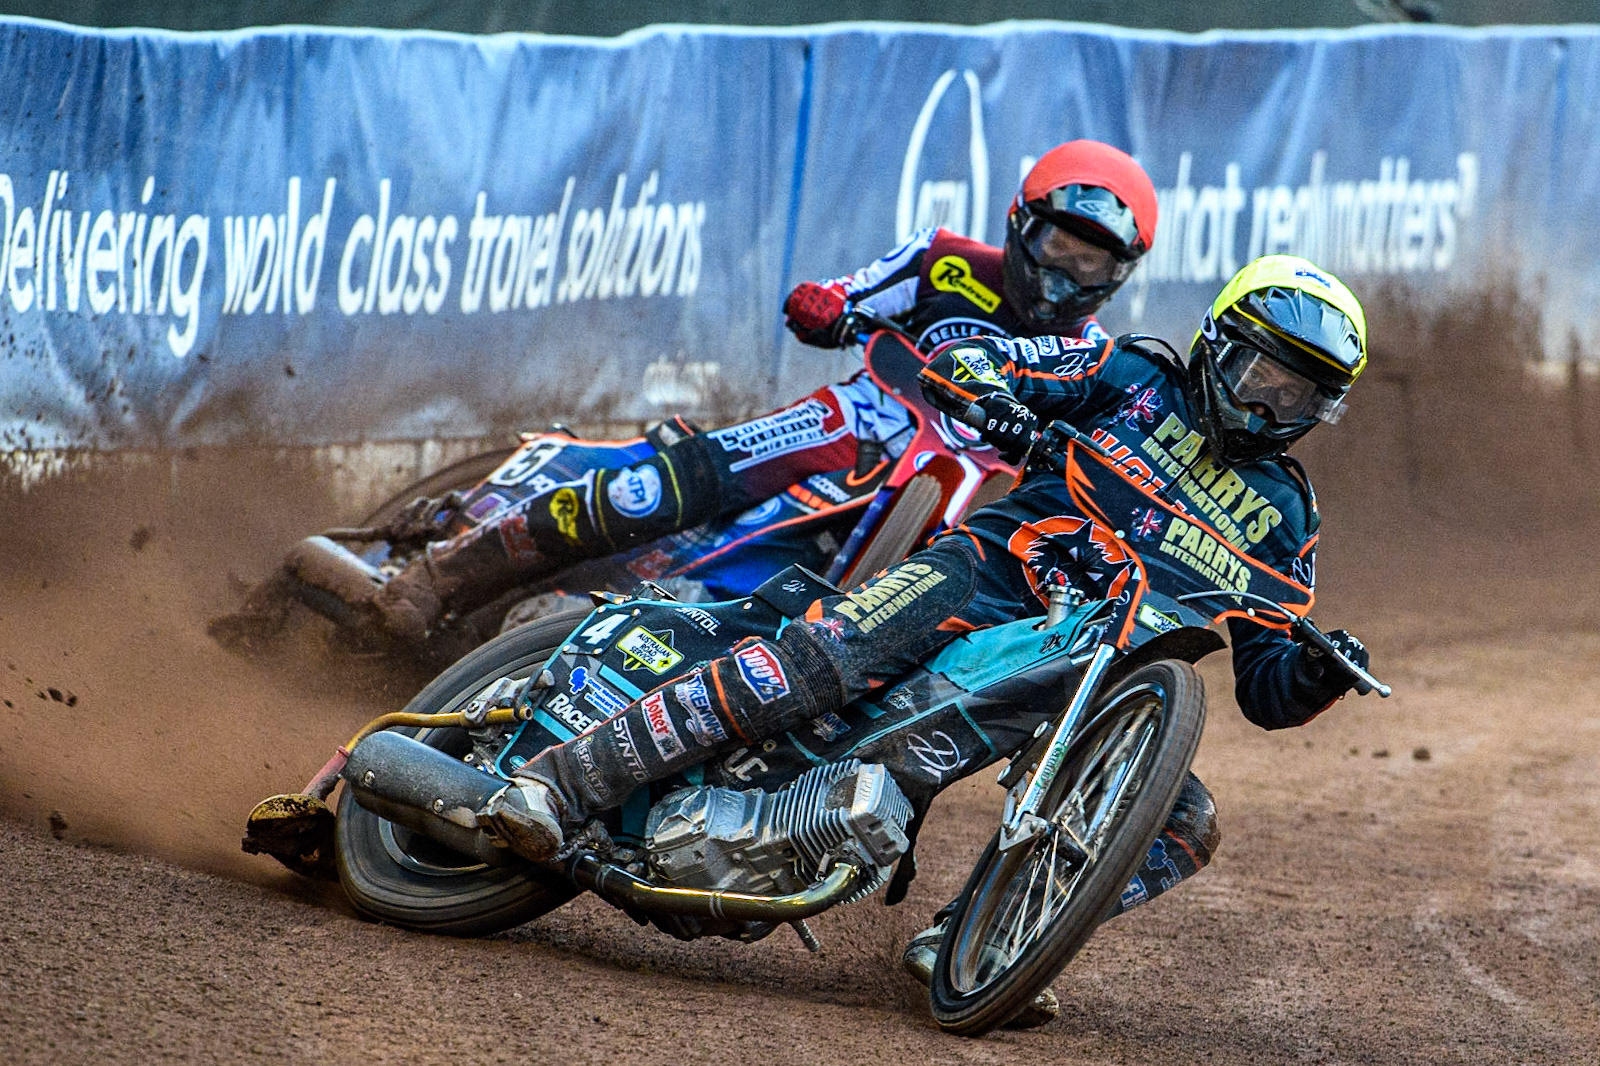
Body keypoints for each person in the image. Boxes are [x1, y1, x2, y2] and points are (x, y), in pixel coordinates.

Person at [478, 254, 1376, 1021]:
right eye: (1262, 375)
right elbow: (965, 359)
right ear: (1220, 342)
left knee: (1187, 821)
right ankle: (562, 782)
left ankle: (992, 934)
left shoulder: (1287, 513)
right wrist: (1004, 403)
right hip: (987, 575)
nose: (1269, 405)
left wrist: (1319, 670)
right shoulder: (1128, 374)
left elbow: (1265, 678)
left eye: (1297, 394)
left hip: (1098, 673)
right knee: (826, 656)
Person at [342, 140, 1158, 643]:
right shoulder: (946, 261)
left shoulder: (1095, 363)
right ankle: (441, 578)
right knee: (645, 494)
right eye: (1060, 243)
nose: (1066, 272)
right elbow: (849, 293)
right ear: (1022, 223)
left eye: (1092, 261)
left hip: (932, 514)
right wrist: (827, 306)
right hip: (849, 425)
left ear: (1118, 275)